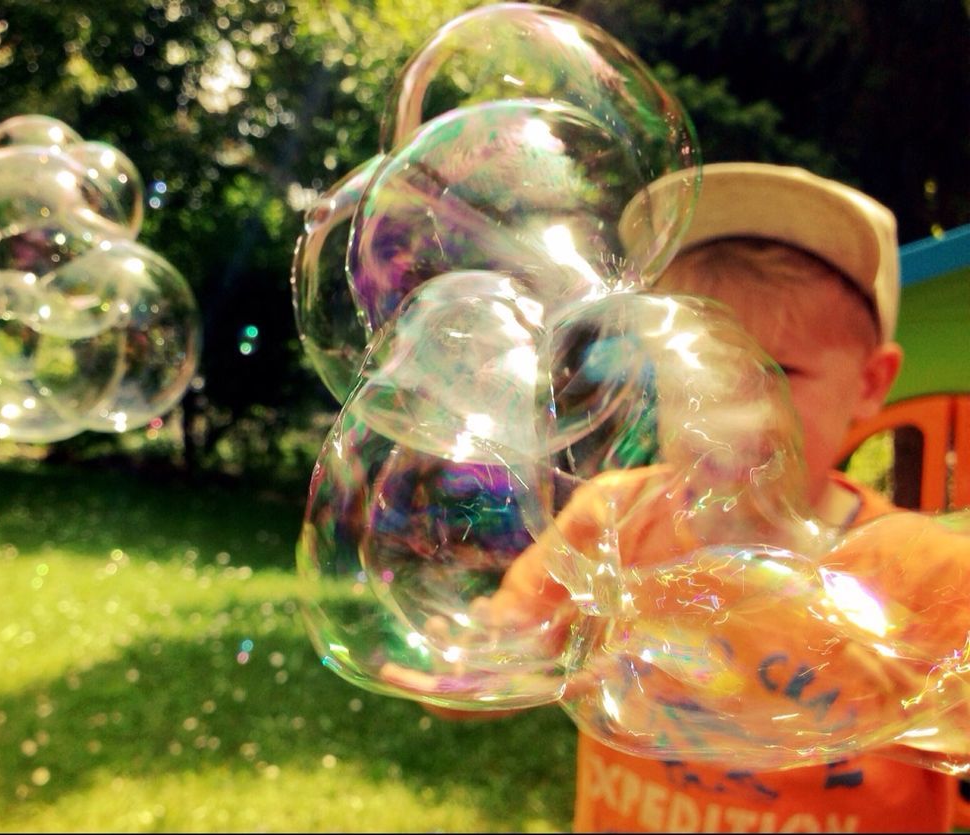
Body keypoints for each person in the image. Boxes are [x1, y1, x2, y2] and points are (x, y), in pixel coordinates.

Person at [388, 162, 969, 832]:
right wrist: (471, 666)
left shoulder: (932, 575)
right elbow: (491, 668)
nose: (728, 413)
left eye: (778, 373)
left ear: (871, 382)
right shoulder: (608, 520)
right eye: (703, 371)